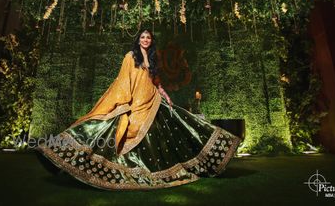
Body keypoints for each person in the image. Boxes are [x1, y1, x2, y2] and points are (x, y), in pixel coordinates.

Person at [35, 29, 242, 190]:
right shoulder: (130, 56)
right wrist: (124, 102)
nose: (145, 40)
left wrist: (166, 95)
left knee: (182, 122)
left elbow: (156, 81)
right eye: (142, 37)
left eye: (148, 37)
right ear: (138, 39)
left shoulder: (153, 58)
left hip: (152, 100)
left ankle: (211, 158)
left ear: (151, 41)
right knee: (99, 125)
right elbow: (123, 80)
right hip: (133, 102)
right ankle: (55, 156)